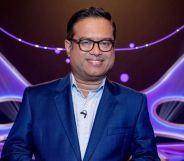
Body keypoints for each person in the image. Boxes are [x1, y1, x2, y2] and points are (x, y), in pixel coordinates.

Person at [1, 7, 161, 161]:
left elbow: (147, 156)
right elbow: (14, 152)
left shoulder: (134, 102)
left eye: (105, 43)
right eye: (86, 42)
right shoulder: (35, 98)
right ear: (68, 47)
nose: (96, 51)